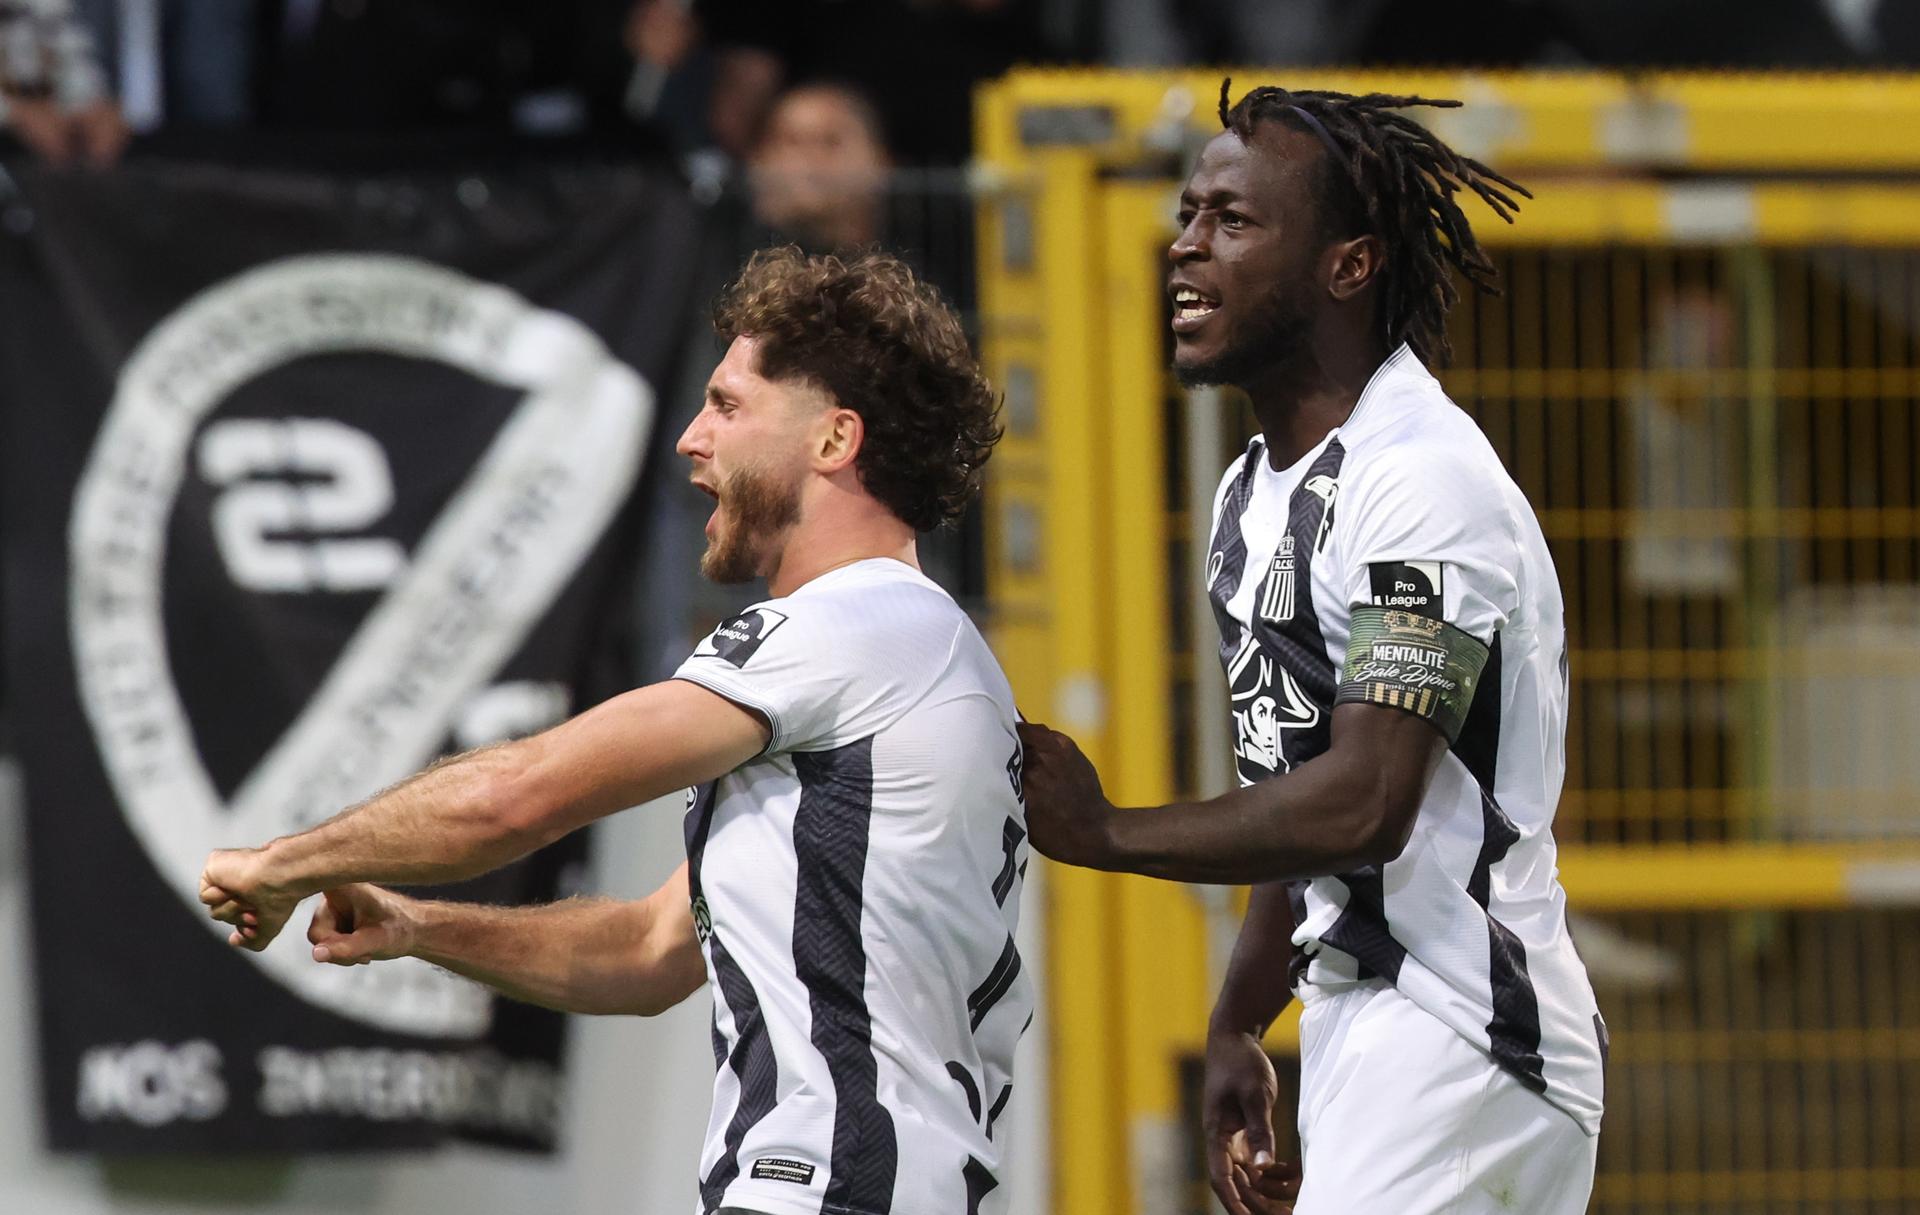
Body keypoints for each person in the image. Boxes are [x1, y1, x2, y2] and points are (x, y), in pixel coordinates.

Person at [201, 247, 1032, 1215]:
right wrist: (419, 927)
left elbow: (522, 793)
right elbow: (644, 953)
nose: (691, 438)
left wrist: (285, 862)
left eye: (727, 404)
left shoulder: (855, 625)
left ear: (833, 440)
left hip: (829, 1188)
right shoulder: (906, 655)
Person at [1015, 83, 1606, 1215]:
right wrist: (1240, 1016)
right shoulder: (1251, 500)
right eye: (1187, 215)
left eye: (1232, 222)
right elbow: (1298, 801)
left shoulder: (1418, 482)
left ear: (1349, 264)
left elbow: (1366, 799)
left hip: (1469, 1042)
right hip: (1375, 1033)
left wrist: (1106, 833)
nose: (1186, 248)